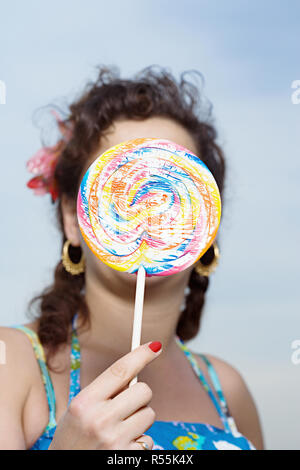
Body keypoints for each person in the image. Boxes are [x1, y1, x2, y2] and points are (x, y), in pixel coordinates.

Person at [0, 66, 264, 450]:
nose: (150, 202)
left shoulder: (228, 389)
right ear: (73, 220)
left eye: (172, 183)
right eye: (124, 182)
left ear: (208, 222)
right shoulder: (12, 364)